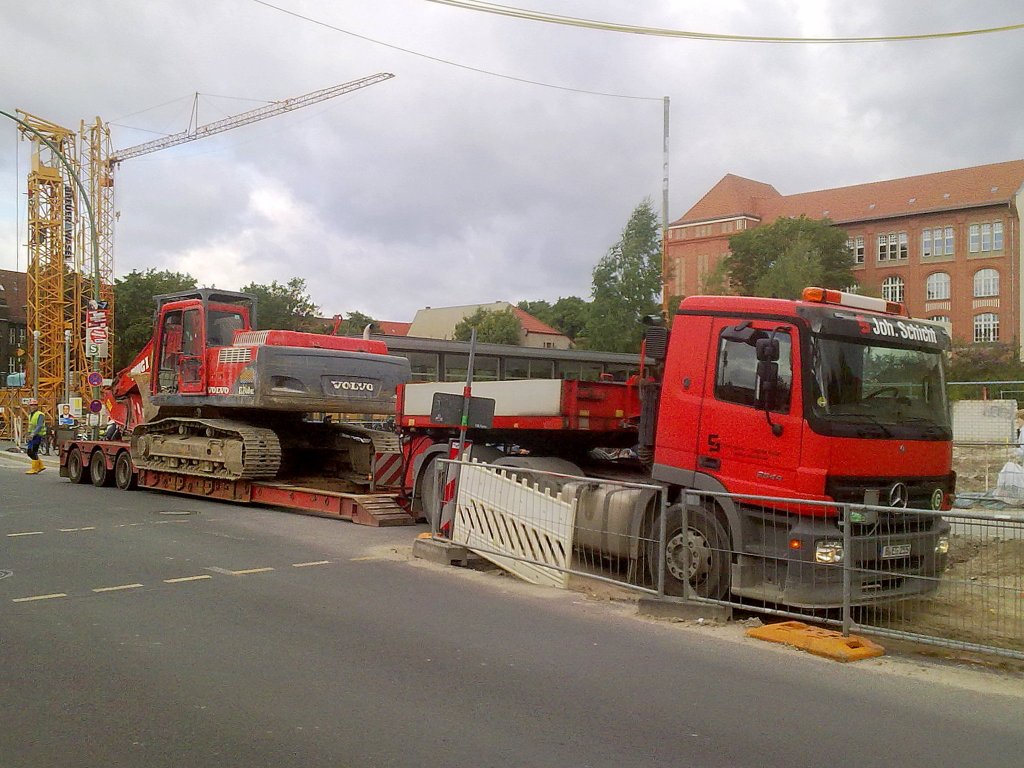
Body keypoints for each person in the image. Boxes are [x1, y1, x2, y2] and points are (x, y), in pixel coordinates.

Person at [25, 399, 48, 475]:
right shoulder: (30, 415)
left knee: (31, 451)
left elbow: (39, 425)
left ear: (37, 406)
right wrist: (28, 434)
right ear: (29, 406)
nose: (33, 407)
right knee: (31, 451)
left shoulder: (40, 414)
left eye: (35, 405)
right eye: (32, 405)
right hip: (32, 435)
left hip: (38, 435)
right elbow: (30, 426)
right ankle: (40, 466)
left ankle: (35, 468)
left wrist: (32, 434)